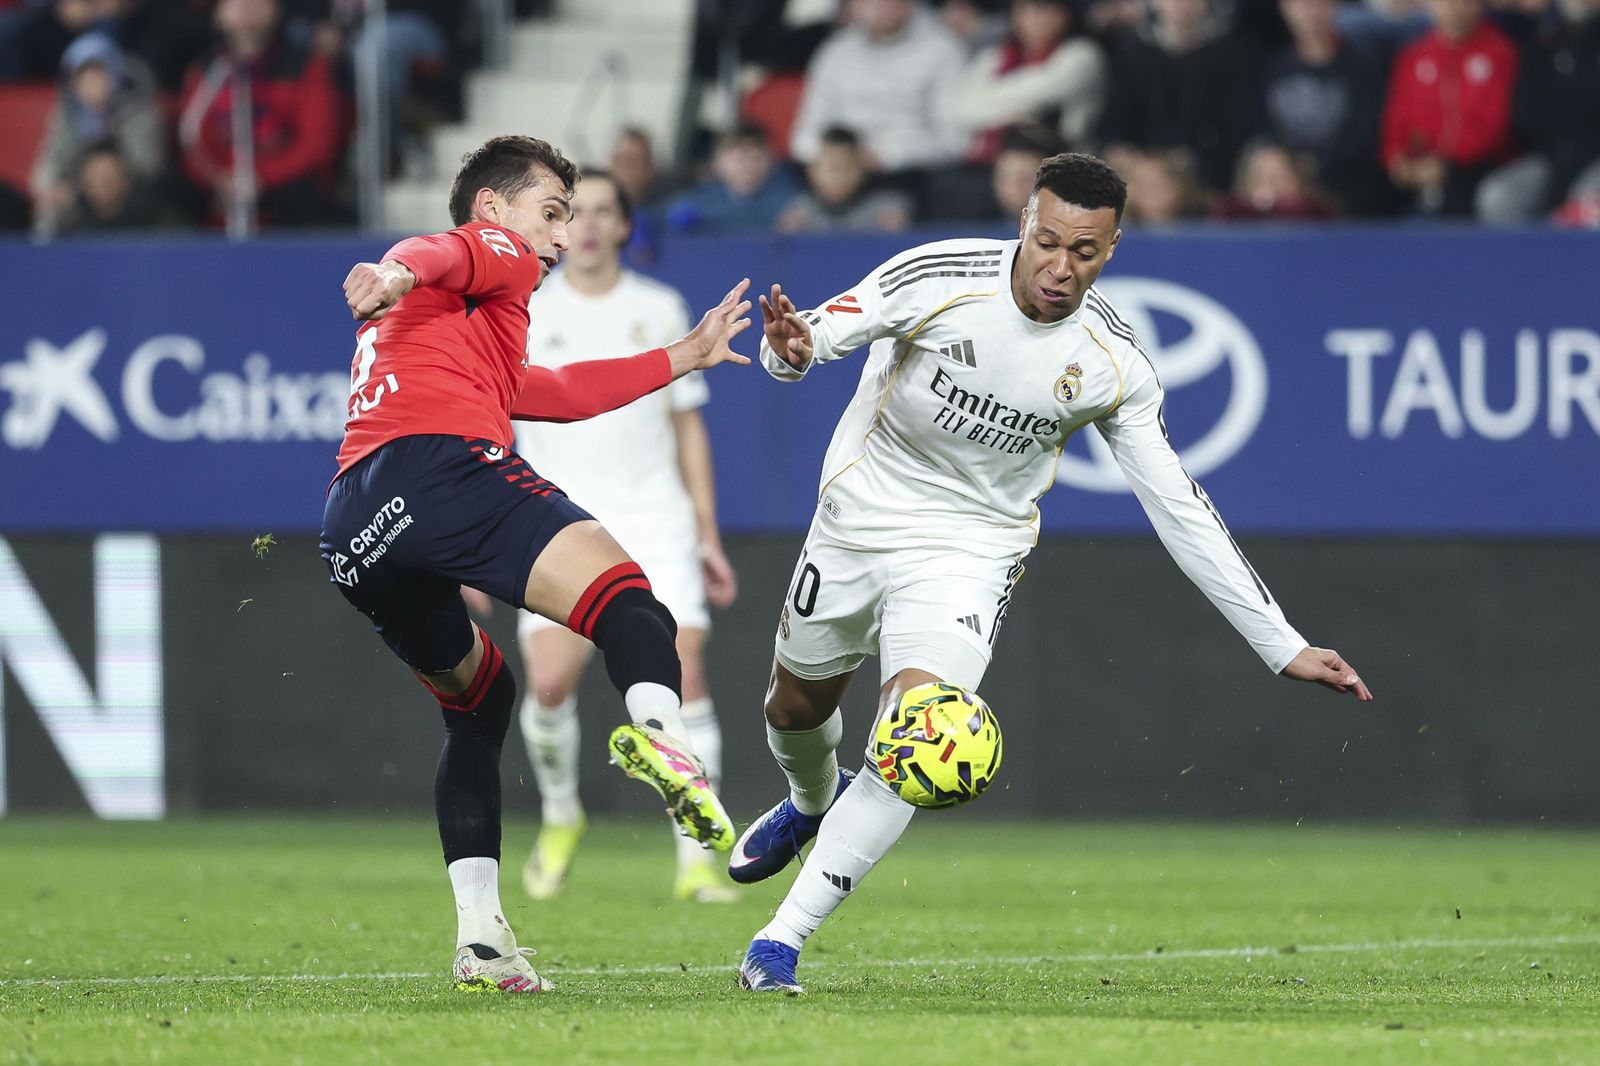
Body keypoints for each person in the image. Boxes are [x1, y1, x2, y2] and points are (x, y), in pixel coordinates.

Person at [731, 152, 1374, 994]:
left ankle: (780, 941)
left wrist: (1279, 643)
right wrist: (787, 352)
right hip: (858, 519)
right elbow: (808, 339)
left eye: (1085, 251)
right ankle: (812, 801)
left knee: (922, 735)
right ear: (1023, 225)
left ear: (1112, 249)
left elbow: (1179, 506)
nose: (1061, 267)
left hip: (973, 548)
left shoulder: (1113, 362)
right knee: (793, 708)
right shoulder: (938, 275)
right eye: (1047, 242)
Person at [322, 134, 753, 994]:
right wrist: (396, 269)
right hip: (442, 470)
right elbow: (438, 250)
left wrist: (682, 355)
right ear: (495, 208)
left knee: (481, 704)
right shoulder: (489, 254)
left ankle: (481, 941)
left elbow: (550, 393)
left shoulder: (455, 321)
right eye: (552, 212)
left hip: (354, 526)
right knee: (630, 604)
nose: (560, 236)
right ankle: (665, 739)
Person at [502, 171, 742, 905]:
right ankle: (561, 816)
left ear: (626, 226)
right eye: (575, 212)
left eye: (606, 211)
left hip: (653, 515)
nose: (589, 225)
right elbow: (495, 423)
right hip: (558, 519)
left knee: (684, 671)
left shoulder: (659, 307)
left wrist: (706, 533)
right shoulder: (527, 309)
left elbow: (687, 428)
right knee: (549, 683)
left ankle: (696, 860)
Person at [789, 0, 969, 173]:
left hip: (910, 173)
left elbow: (952, 142)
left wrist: (886, 155)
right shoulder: (835, 52)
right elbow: (804, 136)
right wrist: (838, 156)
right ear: (855, 5)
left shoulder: (943, 51)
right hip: (835, 170)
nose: (884, 6)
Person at [1379, 0, 1518, 216]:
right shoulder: (1414, 56)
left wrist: (1444, 165)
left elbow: (1496, 128)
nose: (1455, 9)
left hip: (1477, 166)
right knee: (1370, 191)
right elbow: (1396, 119)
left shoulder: (1501, 53)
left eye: (1464, 3)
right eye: (1447, 2)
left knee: (1460, 191)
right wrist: (1397, 157)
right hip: (1419, 166)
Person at [30, 31, 166, 233]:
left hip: (129, 192)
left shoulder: (138, 111)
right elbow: (51, 160)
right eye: (83, 77)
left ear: (115, 73)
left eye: (100, 74)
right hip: (81, 195)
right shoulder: (66, 115)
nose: (93, 83)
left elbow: (147, 165)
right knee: (51, 211)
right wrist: (50, 187)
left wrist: (107, 178)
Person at [954, 0, 1107, 163]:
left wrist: (988, 100)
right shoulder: (994, 57)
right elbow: (964, 110)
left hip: (1060, 163)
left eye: (1040, 9)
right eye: (1022, 10)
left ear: (1063, 14)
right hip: (988, 161)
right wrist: (1017, 114)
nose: (1031, 18)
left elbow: (1041, 93)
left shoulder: (1082, 54)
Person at [664, 122, 799, 235]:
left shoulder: (791, 206)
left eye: (755, 157)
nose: (747, 164)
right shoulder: (692, 205)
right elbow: (658, 221)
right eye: (739, 158)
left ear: (771, 161)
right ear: (717, 161)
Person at [776, 126, 913, 234]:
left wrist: (895, 234)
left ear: (863, 168)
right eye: (832, 168)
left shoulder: (888, 208)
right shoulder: (798, 212)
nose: (839, 177)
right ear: (812, 171)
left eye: (847, 167)